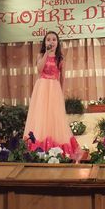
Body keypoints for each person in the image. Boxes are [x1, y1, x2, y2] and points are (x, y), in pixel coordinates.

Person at [24, 31, 81, 161]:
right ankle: (38, 150)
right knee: (41, 117)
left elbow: (62, 78)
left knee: (54, 118)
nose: (51, 42)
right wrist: (46, 53)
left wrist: (61, 93)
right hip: (42, 88)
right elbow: (39, 69)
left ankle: (57, 151)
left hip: (54, 89)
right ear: (45, 42)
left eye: (54, 39)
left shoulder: (60, 58)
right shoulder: (40, 55)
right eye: (48, 39)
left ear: (58, 42)